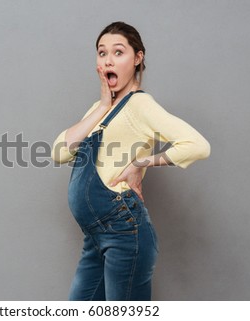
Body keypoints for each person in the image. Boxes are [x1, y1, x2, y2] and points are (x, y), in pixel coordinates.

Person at [51, 22, 211, 301]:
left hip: (124, 233)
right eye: (102, 53)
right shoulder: (98, 108)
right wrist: (102, 106)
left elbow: (197, 145)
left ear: (138, 58)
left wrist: (141, 163)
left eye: (118, 52)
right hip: (95, 238)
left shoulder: (141, 105)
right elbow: (59, 152)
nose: (108, 60)